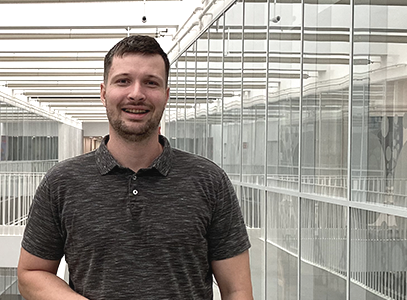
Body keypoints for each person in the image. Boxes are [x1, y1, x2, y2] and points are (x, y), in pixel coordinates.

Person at [17, 35, 254, 300]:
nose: (136, 93)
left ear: (165, 96)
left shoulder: (209, 181)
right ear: (104, 92)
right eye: (123, 81)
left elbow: (237, 289)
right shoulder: (62, 182)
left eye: (150, 83)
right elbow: (31, 273)